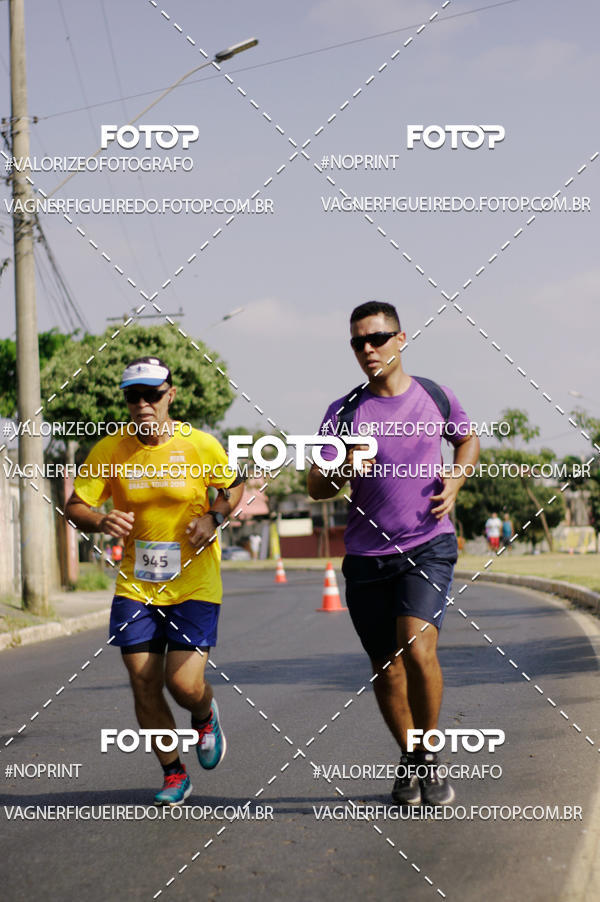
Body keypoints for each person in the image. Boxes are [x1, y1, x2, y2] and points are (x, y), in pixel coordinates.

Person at [308, 301, 479, 807]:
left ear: (401, 339)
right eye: (358, 342)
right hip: (366, 555)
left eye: (377, 338)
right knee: (386, 665)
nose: (368, 349)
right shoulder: (343, 413)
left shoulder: (435, 396)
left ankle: (429, 754)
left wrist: (457, 478)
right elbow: (315, 485)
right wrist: (344, 469)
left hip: (428, 544)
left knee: (418, 649)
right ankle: (411, 755)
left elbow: (467, 440)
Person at [64, 356, 244, 806]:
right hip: (137, 586)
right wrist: (101, 521)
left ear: (171, 395)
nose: (143, 403)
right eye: (134, 396)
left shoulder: (200, 445)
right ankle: (173, 772)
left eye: (153, 394)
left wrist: (214, 517)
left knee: (183, 684)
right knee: (143, 681)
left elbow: (233, 487)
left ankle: (203, 714)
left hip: (194, 584)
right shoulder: (111, 450)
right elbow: (75, 506)